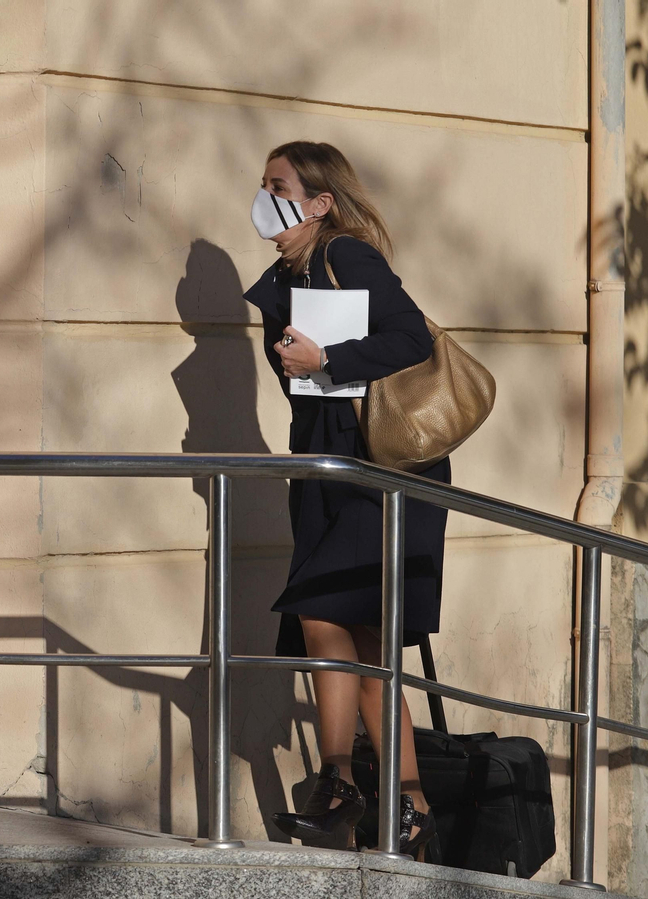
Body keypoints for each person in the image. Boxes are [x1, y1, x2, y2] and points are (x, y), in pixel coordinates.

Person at [242, 141, 445, 859]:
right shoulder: (282, 277)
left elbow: (410, 337)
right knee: (359, 639)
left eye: (278, 185)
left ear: (320, 202)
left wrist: (325, 359)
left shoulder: (346, 257)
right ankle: (410, 804)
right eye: (262, 182)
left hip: (380, 465)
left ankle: (335, 783)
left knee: (323, 608)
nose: (263, 195)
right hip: (326, 466)